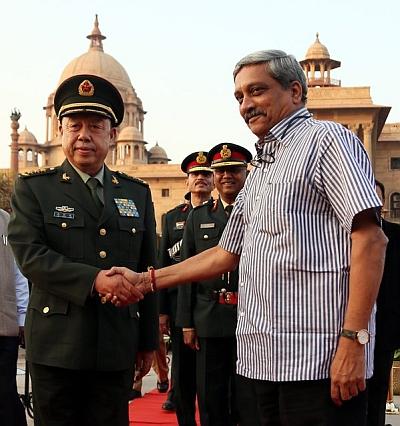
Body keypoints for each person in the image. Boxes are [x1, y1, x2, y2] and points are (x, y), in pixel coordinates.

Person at [108, 49, 388, 426]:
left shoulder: (328, 142)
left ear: (295, 91)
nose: (246, 104)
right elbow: (224, 254)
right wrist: (146, 279)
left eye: (257, 91)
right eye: (239, 96)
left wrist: (354, 341)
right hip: (261, 362)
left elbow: (370, 240)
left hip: (318, 363)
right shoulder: (259, 171)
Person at [8, 74, 158, 426]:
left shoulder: (135, 193)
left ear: (114, 134)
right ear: (60, 131)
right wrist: (94, 281)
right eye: (74, 125)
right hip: (58, 346)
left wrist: (148, 339)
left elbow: (146, 268)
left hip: (116, 343)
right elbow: (30, 255)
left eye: (95, 125)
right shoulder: (35, 190)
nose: (84, 135)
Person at [176, 142, 251, 426]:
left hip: (251, 317)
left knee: (247, 394)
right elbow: (187, 272)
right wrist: (186, 323)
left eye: (233, 170)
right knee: (210, 396)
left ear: (246, 172)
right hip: (209, 318)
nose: (226, 176)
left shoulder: (258, 212)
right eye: (220, 171)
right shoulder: (198, 216)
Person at [159, 151, 214, 424]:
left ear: (213, 181)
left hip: (210, 304)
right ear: (187, 182)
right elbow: (162, 262)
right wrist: (162, 311)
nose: (201, 179)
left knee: (209, 372)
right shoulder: (171, 219)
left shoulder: (223, 215)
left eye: (206, 174)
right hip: (179, 303)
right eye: (196, 175)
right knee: (182, 369)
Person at [367, 180, 400, 426]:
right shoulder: (339, 235)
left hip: (384, 330)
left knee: (377, 393)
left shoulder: (397, 236)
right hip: (342, 331)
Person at [0, 208, 29, 426]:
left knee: (5, 391)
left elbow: (18, 273)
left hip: (4, 324)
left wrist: (22, 318)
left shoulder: (6, 220)